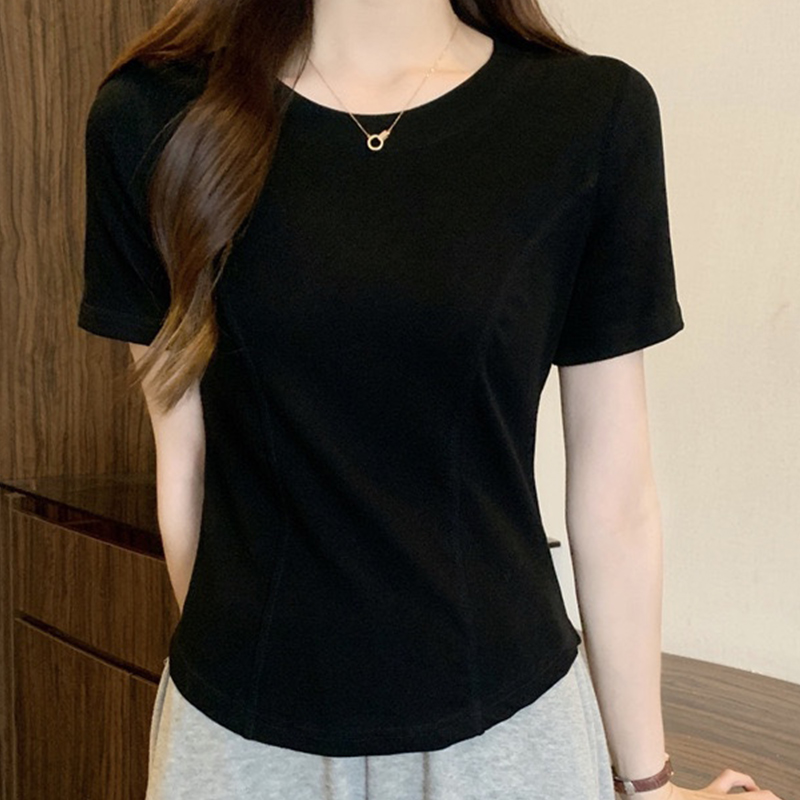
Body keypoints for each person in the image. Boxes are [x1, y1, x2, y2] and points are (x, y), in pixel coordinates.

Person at [77, 1, 785, 798]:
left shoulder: (588, 117)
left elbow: (615, 496)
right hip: (239, 741)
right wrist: (250, 699)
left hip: (509, 741)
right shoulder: (152, 119)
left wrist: (649, 784)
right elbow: (186, 464)